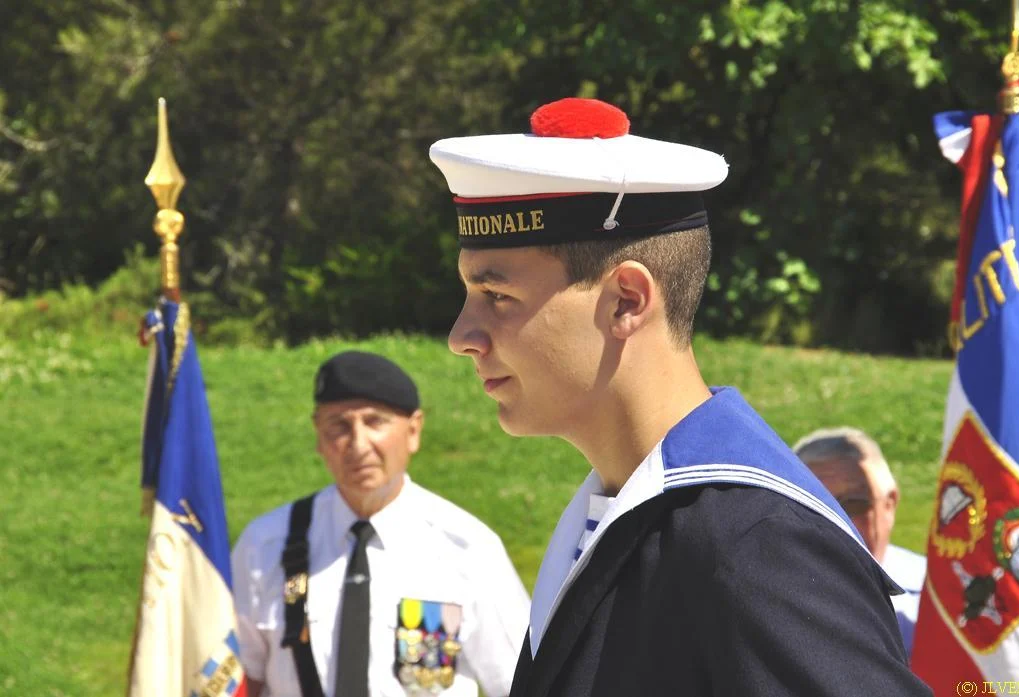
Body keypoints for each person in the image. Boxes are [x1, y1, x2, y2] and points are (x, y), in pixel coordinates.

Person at [429, 97, 932, 696]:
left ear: (627, 302)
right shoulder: (634, 519)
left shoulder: (756, 546)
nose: (462, 335)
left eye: (496, 295)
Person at [232, 351, 530, 697]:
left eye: (375, 422)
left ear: (413, 430)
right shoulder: (266, 544)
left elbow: (523, 682)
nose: (358, 445)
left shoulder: (466, 548)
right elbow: (240, 678)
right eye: (339, 426)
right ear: (319, 436)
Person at [794, 426, 927, 657]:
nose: (836, 523)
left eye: (853, 504)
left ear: (889, 504)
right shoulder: (767, 596)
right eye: (815, 507)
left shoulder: (937, 602)